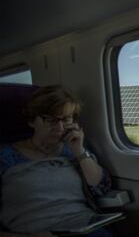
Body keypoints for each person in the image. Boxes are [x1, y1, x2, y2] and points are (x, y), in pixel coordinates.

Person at [0, 86, 112, 236]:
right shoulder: (5, 156)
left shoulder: (75, 150)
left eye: (66, 119)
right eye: (51, 119)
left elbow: (101, 188)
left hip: (83, 228)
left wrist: (79, 151)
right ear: (32, 121)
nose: (59, 127)